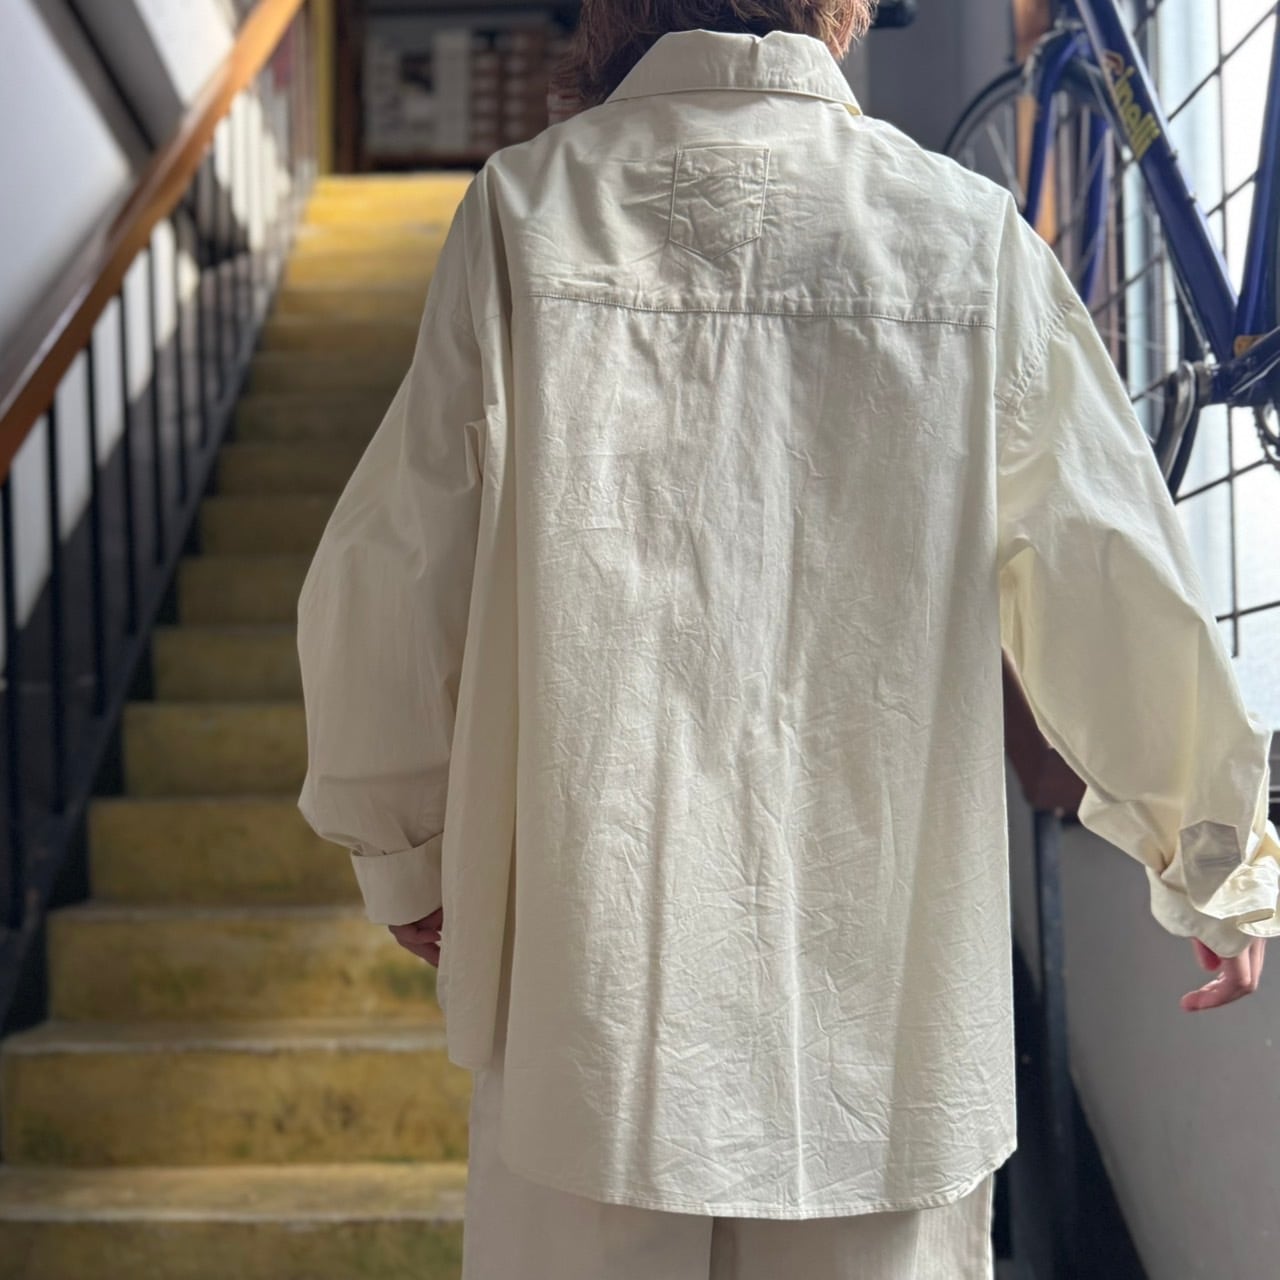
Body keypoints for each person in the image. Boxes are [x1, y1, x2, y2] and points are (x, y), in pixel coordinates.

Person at [295, 3, 1280, 1276]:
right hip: (882, 1013)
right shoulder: (964, 234)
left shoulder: (525, 212)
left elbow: (393, 561)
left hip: (596, 990)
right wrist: (1208, 844)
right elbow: (1108, 563)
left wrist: (404, 847)